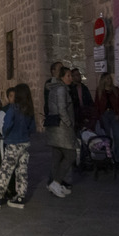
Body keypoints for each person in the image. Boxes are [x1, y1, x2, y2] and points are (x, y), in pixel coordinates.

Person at [0, 83, 36, 210]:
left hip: (13, 142)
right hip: (25, 142)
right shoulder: (28, 109)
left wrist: (6, 135)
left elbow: (7, 124)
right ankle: (20, 196)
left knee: (5, 170)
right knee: (22, 170)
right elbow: (32, 127)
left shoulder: (14, 108)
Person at [45, 66, 76, 198]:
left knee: (57, 155)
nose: (71, 78)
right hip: (62, 128)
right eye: (68, 76)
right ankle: (56, 183)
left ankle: (54, 182)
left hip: (55, 127)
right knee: (71, 155)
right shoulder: (62, 89)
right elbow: (62, 108)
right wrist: (69, 123)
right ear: (62, 77)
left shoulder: (54, 88)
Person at [94, 72, 119, 169]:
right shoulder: (99, 91)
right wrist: (99, 117)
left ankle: (118, 160)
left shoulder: (115, 90)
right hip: (104, 115)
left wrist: (118, 113)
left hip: (114, 114)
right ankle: (109, 158)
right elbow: (97, 104)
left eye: (110, 78)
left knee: (117, 137)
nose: (109, 80)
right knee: (106, 138)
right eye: (107, 79)